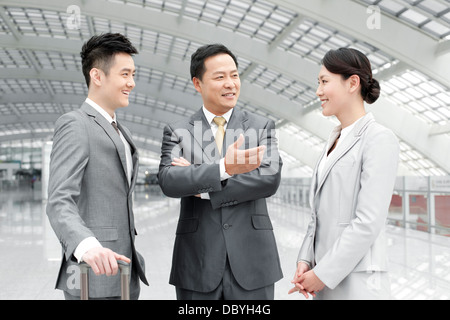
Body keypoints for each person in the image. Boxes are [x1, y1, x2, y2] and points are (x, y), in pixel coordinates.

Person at [158, 43, 283, 300]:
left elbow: (268, 179)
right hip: (197, 262)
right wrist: (224, 169)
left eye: (234, 75)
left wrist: (203, 187)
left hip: (253, 262)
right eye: (220, 77)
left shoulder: (261, 127)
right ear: (197, 83)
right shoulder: (178, 131)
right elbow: (170, 180)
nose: (230, 83)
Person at [289, 48, 399, 300]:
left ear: (352, 83)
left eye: (324, 82)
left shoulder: (379, 139)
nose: (318, 91)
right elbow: (317, 215)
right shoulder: (333, 141)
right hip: (325, 276)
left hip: (358, 283)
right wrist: (306, 259)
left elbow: (368, 222)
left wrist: (322, 274)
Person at [46, 33, 148, 300]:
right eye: (125, 74)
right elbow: (59, 200)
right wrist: (87, 246)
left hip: (125, 271)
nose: (131, 83)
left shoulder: (120, 131)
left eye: (133, 74)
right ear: (97, 76)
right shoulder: (76, 124)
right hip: (92, 274)